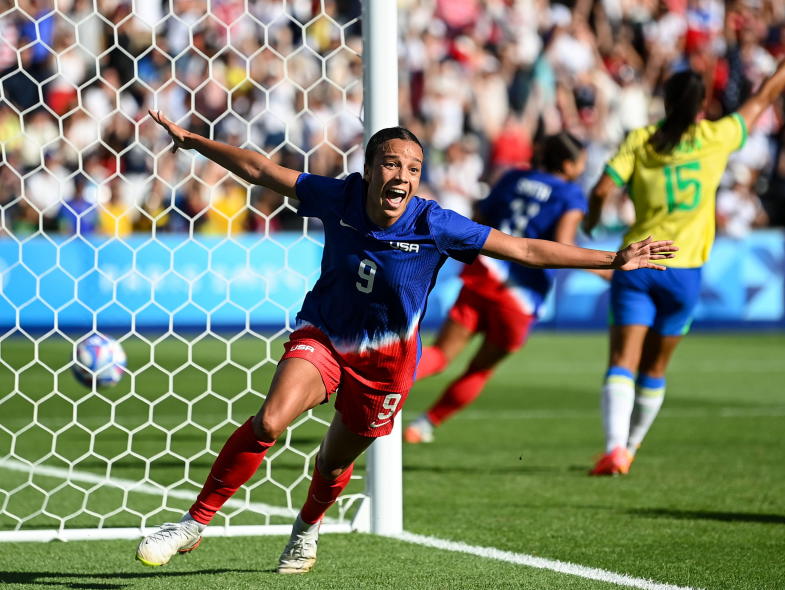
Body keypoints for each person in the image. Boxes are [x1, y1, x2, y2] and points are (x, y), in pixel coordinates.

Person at [135, 111, 678, 573]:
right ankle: (191, 524)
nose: (402, 176)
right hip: (324, 335)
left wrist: (614, 257)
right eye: (392, 164)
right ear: (370, 169)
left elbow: (526, 251)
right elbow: (259, 169)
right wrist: (195, 143)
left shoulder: (436, 224)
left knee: (330, 463)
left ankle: (306, 527)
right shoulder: (339, 196)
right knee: (271, 421)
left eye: (413, 169)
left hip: (386, 368)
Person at [582, 6, 785, 476]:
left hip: (636, 267)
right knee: (656, 368)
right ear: (700, 107)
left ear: (665, 103)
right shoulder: (716, 137)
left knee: (621, 361)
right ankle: (629, 448)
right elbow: (768, 92)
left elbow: (600, 190)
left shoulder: (642, 140)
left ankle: (613, 447)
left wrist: (593, 221)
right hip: (685, 272)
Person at [404, 132, 589, 444]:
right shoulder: (571, 195)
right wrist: (607, 269)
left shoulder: (513, 177)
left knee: (438, 354)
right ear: (568, 164)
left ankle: (378, 389)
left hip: (483, 275)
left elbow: (479, 218)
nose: (583, 168)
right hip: (520, 299)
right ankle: (422, 425)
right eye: (582, 162)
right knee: (479, 370)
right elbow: (563, 245)